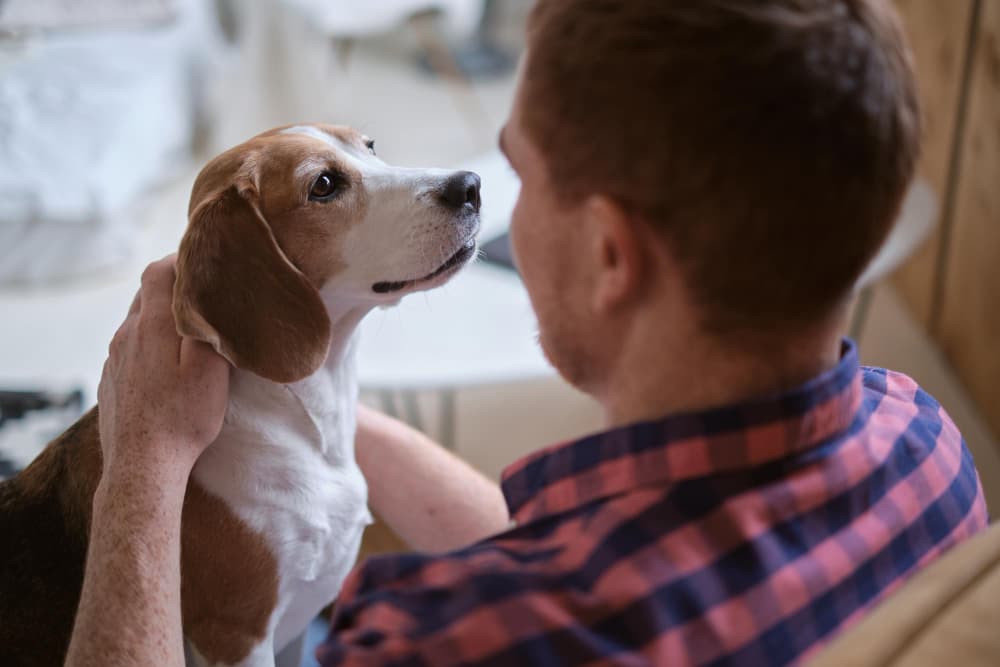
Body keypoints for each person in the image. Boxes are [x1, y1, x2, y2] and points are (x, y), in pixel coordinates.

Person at [65, 1, 989, 666]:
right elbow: (599, 554)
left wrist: (141, 467)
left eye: (521, 172)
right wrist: (302, 404)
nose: (484, 196)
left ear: (611, 253)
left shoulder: (443, 637)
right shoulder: (931, 449)